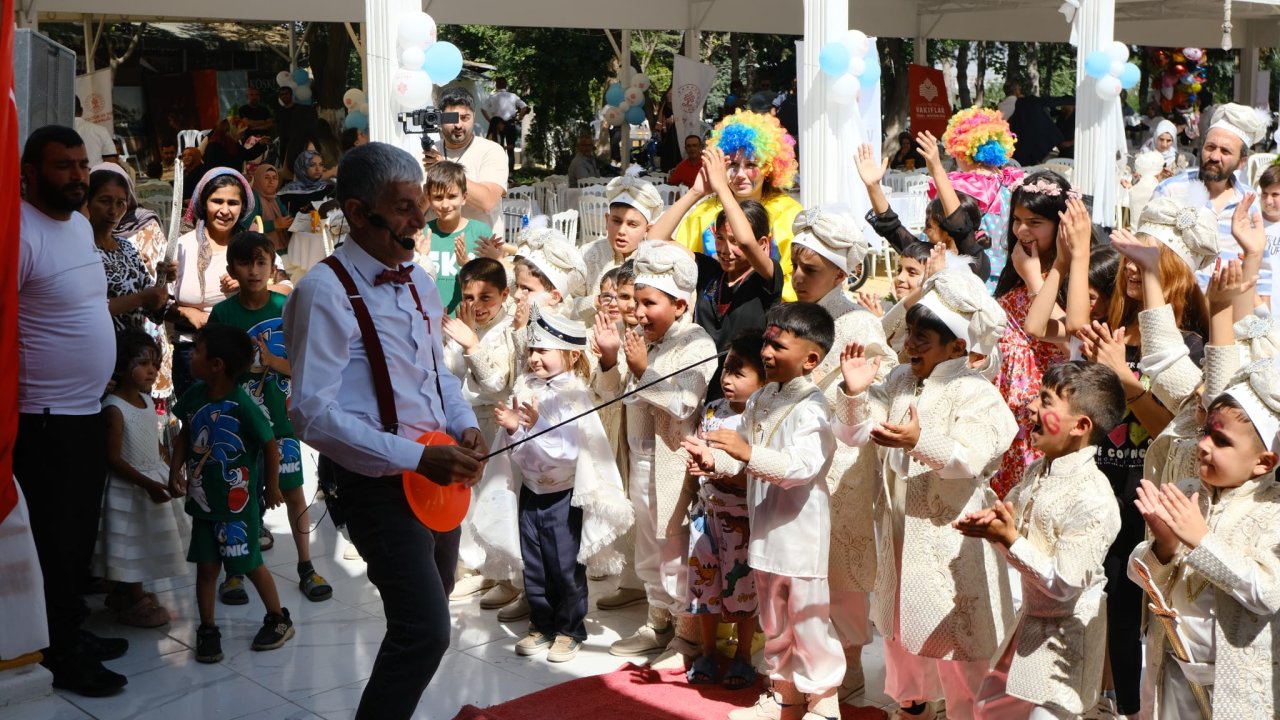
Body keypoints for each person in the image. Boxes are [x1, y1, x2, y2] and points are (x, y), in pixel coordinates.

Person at [284, 142, 488, 720]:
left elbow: (435, 375)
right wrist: (412, 457)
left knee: (432, 607)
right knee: (424, 630)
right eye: (402, 208)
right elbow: (311, 413)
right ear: (356, 210)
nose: (418, 219)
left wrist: (465, 425)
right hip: (374, 481)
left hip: (436, 474)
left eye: (418, 203)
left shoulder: (421, 283)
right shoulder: (323, 291)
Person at [833, 269, 1017, 720]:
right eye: (910, 334)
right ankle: (912, 707)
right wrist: (855, 393)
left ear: (958, 346)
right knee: (900, 636)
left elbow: (971, 458)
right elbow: (857, 431)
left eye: (922, 338)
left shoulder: (977, 393)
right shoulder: (899, 379)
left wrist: (919, 441)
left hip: (952, 541)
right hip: (897, 534)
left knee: (959, 647)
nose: (909, 344)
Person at [1074, 198, 1217, 719]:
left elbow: (1173, 433)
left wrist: (1128, 382)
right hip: (1107, 481)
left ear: (1172, 269)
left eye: (1146, 258)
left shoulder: (1195, 347)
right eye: (1128, 257)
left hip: (1156, 492)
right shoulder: (1114, 329)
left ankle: (1137, 705)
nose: (1131, 267)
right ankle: (1114, 700)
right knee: (1107, 600)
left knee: (1149, 610)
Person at [684, 303, 845, 720]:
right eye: (767, 343)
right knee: (774, 624)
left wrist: (747, 452)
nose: (768, 353)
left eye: (779, 345)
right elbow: (739, 460)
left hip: (800, 535)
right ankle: (786, 699)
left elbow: (801, 467)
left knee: (808, 624)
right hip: (764, 533)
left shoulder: (813, 407)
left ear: (811, 359)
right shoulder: (762, 398)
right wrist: (712, 462)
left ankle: (824, 707)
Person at [17, 125, 128, 696]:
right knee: (54, 542)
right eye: (63, 166)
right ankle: (58, 652)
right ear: (30, 173)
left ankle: (73, 630)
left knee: (79, 535)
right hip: (43, 418)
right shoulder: (17, 232)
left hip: (86, 411)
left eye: (83, 164)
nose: (78, 176)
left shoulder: (81, 225)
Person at [955, 361, 1126, 718]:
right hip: (1027, 628)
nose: (1031, 407)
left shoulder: (1093, 498)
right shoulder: (1040, 468)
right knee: (987, 710)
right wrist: (994, 521)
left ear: (1080, 426)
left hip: (1066, 647)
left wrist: (1010, 540)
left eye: (1046, 401)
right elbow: (1015, 514)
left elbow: (1065, 584)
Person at [473, 310, 632, 662]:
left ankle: (570, 629)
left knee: (563, 565)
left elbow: (565, 454)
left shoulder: (575, 395)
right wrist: (515, 433)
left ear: (571, 354)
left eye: (544, 350)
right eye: (532, 349)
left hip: (563, 495)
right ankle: (541, 624)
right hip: (531, 493)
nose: (534, 358)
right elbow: (515, 450)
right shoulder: (525, 388)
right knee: (535, 563)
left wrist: (528, 427)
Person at [1128, 359, 1280, 718]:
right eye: (1205, 434)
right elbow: (1139, 576)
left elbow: (1268, 593)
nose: (1204, 446)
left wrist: (1202, 540)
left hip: (1237, 685)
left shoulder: (1272, 511)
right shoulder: (1186, 491)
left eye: (1222, 441)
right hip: (1173, 667)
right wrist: (1162, 545)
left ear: (1264, 462)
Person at [788, 209, 895, 703]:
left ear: (841, 273)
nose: (797, 277)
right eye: (794, 265)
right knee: (802, 565)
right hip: (796, 457)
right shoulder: (792, 314)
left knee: (845, 568)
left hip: (846, 462)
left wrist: (850, 394)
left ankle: (849, 662)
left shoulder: (857, 321)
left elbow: (880, 385)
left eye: (809, 270)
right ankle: (804, 658)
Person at [592, 241, 716, 657]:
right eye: (637, 302)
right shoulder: (640, 337)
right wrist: (611, 360)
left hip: (674, 464)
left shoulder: (697, 344)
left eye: (649, 303)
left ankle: (687, 635)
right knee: (648, 542)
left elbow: (684, 402)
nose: (639, 312)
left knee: (674, 545)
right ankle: (656, 621)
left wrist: (644, 368)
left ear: (680, 305)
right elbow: (611, 393)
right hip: (639, 458)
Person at [209, 231, 332, 603]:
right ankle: (235, 570)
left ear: (272, 266)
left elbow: (309, 364)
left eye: (261, 262)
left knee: (294, 492)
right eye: (245, 263)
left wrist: (273, 362)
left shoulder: (286, 306)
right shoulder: (222, 313)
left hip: (282, 418)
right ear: (231, 268)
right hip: (239, 422)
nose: (253, 270)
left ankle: (306, 565)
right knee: (238, 494)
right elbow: (214, 371)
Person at [169, 323, 293, 663]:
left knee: (249, 563)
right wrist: (174, 470)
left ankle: (279, 618)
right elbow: (184, 435)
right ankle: (207, 629)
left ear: (216, 364)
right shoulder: (194, 396)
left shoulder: (242, 403)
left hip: (238, 509)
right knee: (206, 569)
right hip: (203, 506)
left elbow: (269, 445)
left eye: (196, 351)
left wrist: (272, 486)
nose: (190, 355)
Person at [653, 147, 781, 395]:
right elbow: (655, 239)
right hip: (701, 388)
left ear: (763, 244)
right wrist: (696, 192)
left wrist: (724, 188)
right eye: (720, 238)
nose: (725, 249)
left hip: (747, 392)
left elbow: (746, 242)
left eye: (733, 241)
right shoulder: (709, 272)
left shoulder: (766, 277)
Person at [679, 335, 765, 691]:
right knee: (704, 587)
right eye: (726, 369)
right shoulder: (713, 410)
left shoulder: (761, 418)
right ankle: (706, 650)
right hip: (706, 515)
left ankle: (743, 654)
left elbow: (758, 467)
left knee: (743, 589)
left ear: (763, 381)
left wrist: (719, 467)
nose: (727, 379)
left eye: (738, 372)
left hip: (742, 519)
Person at [989, 171, 1074, 498]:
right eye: (1017, 220)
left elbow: (1070, 336)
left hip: (1046, 422)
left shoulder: (1076, 279)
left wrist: (1035, 280)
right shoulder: (1017, 270)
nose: (1022, 230)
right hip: (1007, 422)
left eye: (1035, 222)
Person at [95, 330, 189, 628]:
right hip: (129, 489)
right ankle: (134, 600)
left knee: (145, 541)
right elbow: (112, 458)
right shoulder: (114, 408)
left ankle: (126, 595)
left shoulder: (147, 402)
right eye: (143, 363)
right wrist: (149, 484)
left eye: (155, 363)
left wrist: (170, 469)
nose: (153, 370)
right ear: (121, 366)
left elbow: (154, 441)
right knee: (132, 545)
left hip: (151, 479)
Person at [674, 110, 802, 302]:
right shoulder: (704, 213)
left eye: (751, 165)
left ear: (769, 168)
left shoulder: (789, 213)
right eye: (733, 165)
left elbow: (798, 277)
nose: (740, 174)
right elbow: (680, 262)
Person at [1153, 102, 1272, 297]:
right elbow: (1149, 253)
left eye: (1225, 151)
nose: (1215, 156)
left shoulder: (1249, 202)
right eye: (1210, 147)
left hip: (1228, 313)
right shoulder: (1171, 190)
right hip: (1175, 306)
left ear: (1242, 162)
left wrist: (1263, 316)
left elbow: (1262, 269)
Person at [169, 168, 256, 398]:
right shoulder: (182, 247)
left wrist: (248, 286)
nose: (225, 210)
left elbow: (284, 288)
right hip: (192, 353)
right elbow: (158, 305)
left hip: (241, 354)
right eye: (217, 201)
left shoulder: (252, 246)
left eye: (233, 202)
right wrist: (187, 312)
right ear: (203, 202)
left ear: (243, 207)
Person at [857, 138, 991, 282]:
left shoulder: (975, 263)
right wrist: (873, 187)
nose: (924, 231)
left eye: (929, 226)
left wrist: (937, 170)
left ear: (949, 231)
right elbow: (892, 228)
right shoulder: (926, 255)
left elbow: (960, 226)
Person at [936, 107, 1024, 290]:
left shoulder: (960, 186)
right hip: (1010, 274)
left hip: (969, 274)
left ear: (962, 149)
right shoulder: (1012, 181)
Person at [426, 87, 509, 239]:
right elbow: (416, 209)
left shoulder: (491, 150)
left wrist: (443, 168)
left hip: (481, 251)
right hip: (435, 251)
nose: (458, 125)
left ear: (474, 117)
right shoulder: (428, 153)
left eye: (465, 118)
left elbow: (488, 201)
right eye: (451, 118)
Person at [581, 177, 664, 320]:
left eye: (632, 224)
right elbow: (566, 303)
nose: (621, 231)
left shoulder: (656, 262)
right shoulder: (587, 254)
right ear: (607, 220)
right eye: (616, 221)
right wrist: (596, 301)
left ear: (647, 229)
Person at [416, 161, 494, 312]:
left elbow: (492, 284)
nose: (445, 205)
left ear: (464, 197)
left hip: (471, 322)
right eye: (438, 197)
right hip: (429, 321)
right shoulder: (422, 234)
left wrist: (468, 265)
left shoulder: (480, 233)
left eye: (452, 196)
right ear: (429, 199)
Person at [276, 149, 336, 282]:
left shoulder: (329, 189)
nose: (318, 168)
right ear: (302, 167)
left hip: (326, 236)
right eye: (312, 165)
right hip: (297, 241)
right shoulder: (287, 193)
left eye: (320, 165)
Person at [482, 77, 531, 172]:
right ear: (506, 85)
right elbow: (524, 107)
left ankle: (498, 171)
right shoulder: (513, 96)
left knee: (497, 149)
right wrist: (519, 118)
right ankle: (511, 173)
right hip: (510, 124)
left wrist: (490, 120)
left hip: (497, 125)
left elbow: (483, 109)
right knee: (510, 150)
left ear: (496, 85)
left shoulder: (492, 96)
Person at [274, 85, 318, 180]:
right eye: (282, 94)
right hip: (284, 144)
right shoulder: (280, 110)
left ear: (291, 94)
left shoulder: (300, 110)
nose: (284, 96)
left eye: (286, 94)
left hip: (297, 143)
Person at [247, 163, 290, 251]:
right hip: (260, 248)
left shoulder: (275, 197)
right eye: (266, 177)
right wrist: (274, 224)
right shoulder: (252, 199)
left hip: (281, 245)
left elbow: (286, 215)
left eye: (275, 178)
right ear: (258, 179)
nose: (271, 181)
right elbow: (248, 226)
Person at [74, 96, 120, 168]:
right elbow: (111, 162)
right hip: (94, 177)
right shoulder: (100, 131)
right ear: (81, 111)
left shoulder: (53, 132)